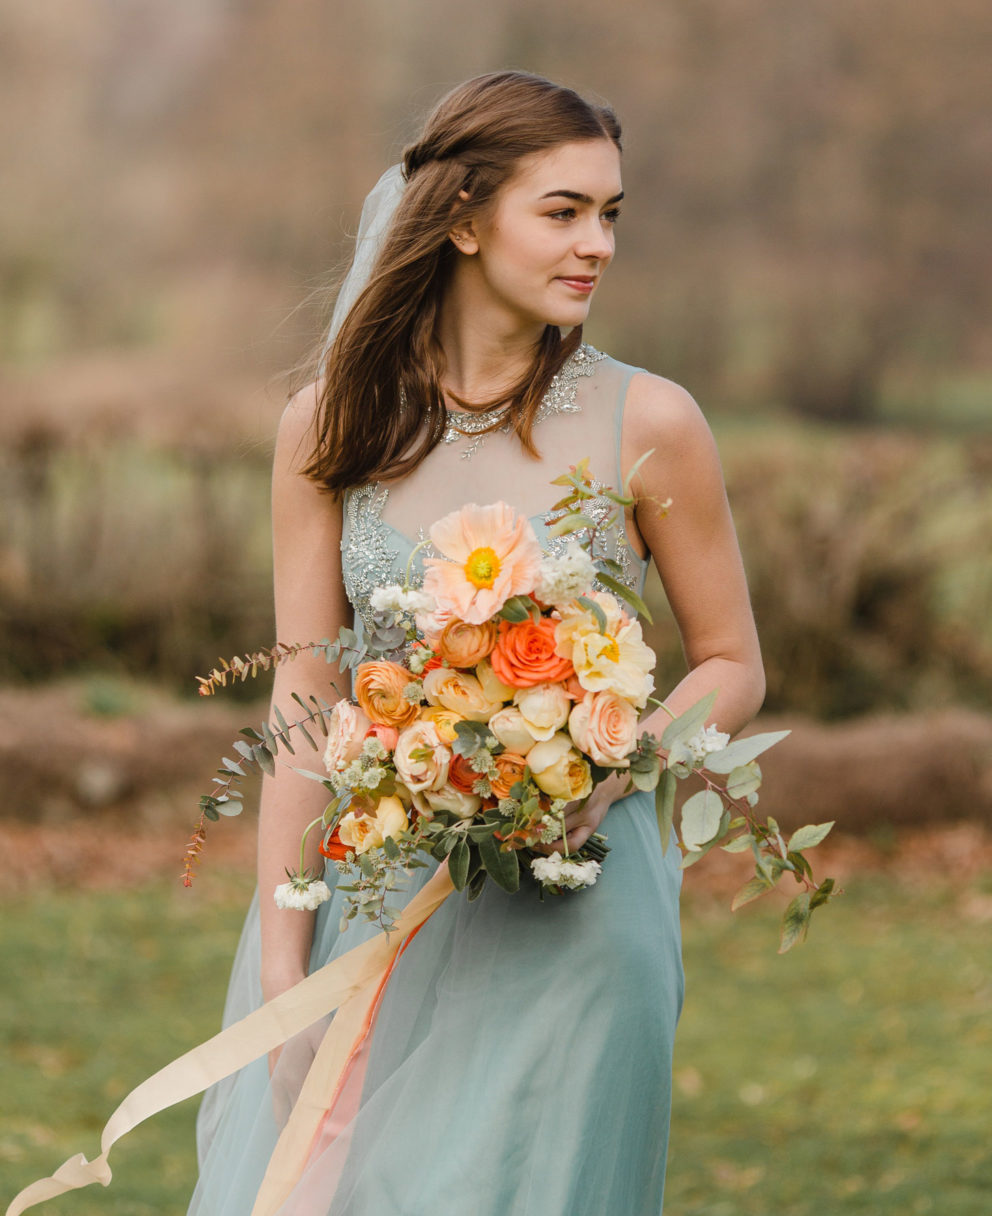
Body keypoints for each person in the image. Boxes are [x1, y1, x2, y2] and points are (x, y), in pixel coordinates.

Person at [187, 69, 766, 1215]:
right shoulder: (332, 426)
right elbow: (308, 700)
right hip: (377, 895)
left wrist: (613, 770)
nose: (595, 243)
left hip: (579, 908)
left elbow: (731, 663)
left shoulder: (648, 421)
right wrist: (280, 962)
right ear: (461, 220)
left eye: (609, 214)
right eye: (561, 211)